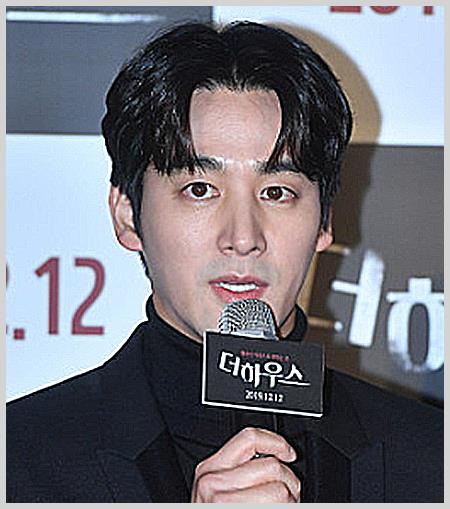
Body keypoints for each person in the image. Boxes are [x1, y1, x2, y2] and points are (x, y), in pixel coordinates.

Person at [7, 21, 442, 503]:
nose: (243, 238)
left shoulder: (430, 460)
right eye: (200, 190)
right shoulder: (20, 460)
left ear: (324, 223)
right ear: (128, 215)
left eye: (277, 192)